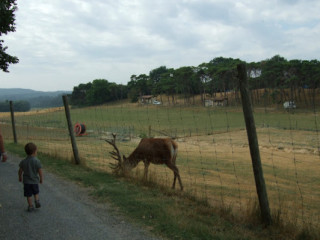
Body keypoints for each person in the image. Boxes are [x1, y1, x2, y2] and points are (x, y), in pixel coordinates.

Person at [18, 142, 43, 212]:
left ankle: (30, 206)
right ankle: (37, 201)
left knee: (28, 194)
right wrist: (41, 179)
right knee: (36, 192)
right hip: (34, 181)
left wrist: (20, 177)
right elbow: (40, 171)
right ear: (34, 151)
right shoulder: (37, 161)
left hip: (26, 182)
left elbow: (20, 170)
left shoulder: (23, 161)